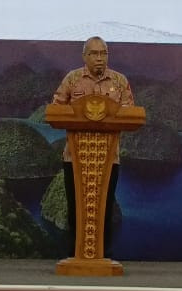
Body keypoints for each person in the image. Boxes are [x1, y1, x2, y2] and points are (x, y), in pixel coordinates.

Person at [51, 36, 135, 253]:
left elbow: (130, 113)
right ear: (84, 56)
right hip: (75, 158)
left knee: (104, 210)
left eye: (103, 53)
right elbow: (55, 110)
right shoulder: (72, 79)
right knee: (76, 210)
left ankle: (101, 259)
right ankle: (76, 258)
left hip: (108, 159)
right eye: (94, 54)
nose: (100, 58)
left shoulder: (119, 81)